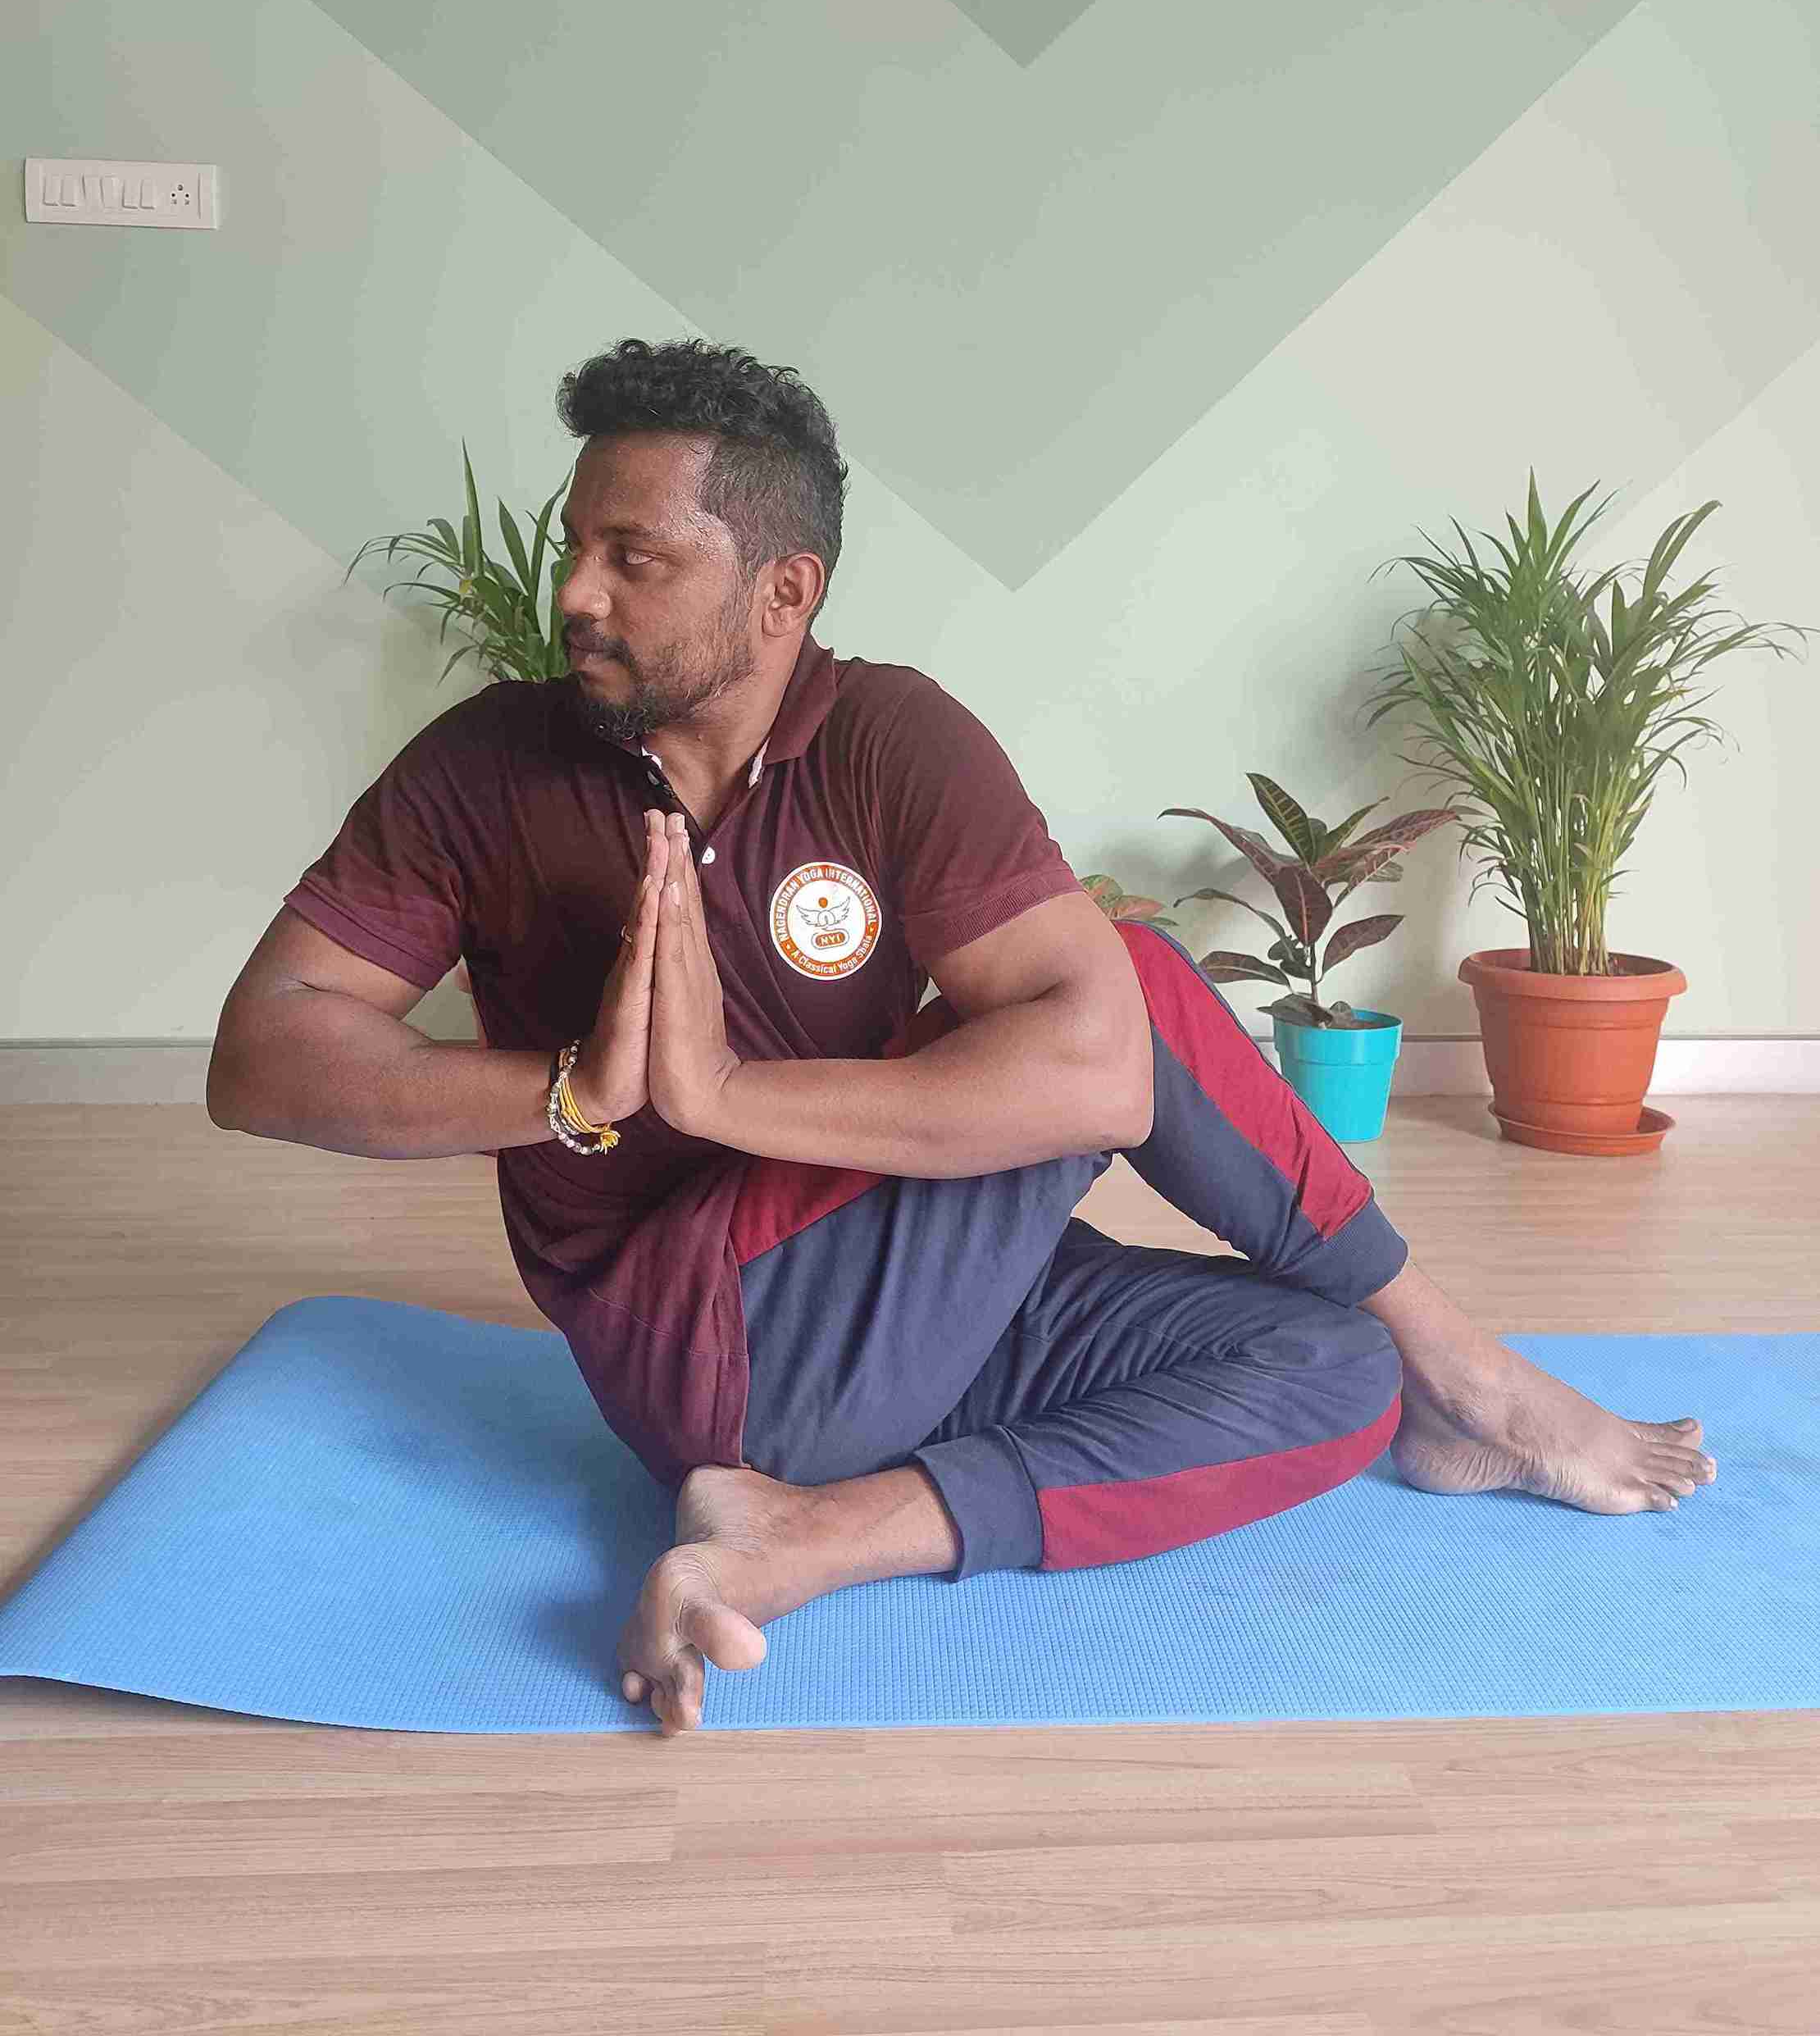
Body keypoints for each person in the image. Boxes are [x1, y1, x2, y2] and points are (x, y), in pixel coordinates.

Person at [207, 337, 1718, 1737]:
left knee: (1337, 1371)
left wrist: (723, 1092)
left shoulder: (888, 740)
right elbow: (264, 1051)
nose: (576, 595)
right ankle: (1484, 1379)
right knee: (1133, 989)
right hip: (705, 1341)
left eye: (634, 557)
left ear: (783, 592)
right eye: (576, 547)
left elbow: (1088, 1065)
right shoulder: (487, 768)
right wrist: (571, 1090)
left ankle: (807, 1538)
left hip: (910, 1301)